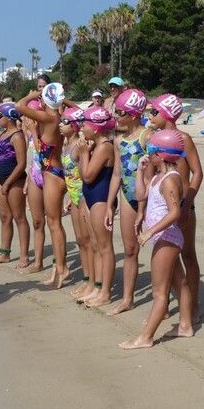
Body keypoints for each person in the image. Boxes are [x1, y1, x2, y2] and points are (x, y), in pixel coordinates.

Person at [119, 129, 189, 349]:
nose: (148, 154)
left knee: (159, 291)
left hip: (167, 237)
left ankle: (146, 336)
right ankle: (185, 325)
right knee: (180, 281)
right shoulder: (159, 176)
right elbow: (141, 195)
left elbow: (175, 212)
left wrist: (150, 232)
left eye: (151, 150)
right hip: (164, 237)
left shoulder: (170, 180)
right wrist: (140, 172)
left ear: (161, 154)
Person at [147, 94, 202, 325]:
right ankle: (169, 305)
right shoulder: (154, 140)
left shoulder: (184, 139)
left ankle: (193, 305)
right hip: (163, 207)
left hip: (182, 205)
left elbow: (197, 173)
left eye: (154, 112)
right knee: (167, 259)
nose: (150, 116)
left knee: (188, 255)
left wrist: (187, 204)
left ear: (167, 114)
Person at [17, 83, 70, 288]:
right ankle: (59, 267)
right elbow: (43, 150)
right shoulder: (57, 118)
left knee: (54, 224)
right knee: (53, 223)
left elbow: (19, 106)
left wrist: (32, 94)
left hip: (53, 174)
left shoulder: (48, 117)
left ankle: (62, 268)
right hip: (52, 172)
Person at [105, 88, 150, 315]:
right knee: (130, 250)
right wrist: (109, 205)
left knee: (162, 251)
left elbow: (153, 174)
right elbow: (117, 174)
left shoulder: (147, 137)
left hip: (150, 199)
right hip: (126, 197)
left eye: (120, 112)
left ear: (133, 115)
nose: (116, 115)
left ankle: (166, 299)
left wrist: (144, 207)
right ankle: (127, 299)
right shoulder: (119, 140)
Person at [77, 106, 116, 307]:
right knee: (95, 244)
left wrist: (85, 153)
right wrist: (85, 151)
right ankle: (98, 287)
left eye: (84, 124)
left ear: (95, 128)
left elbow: (88, 175)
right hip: (91, 196)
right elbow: (81, 171)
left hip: (100, 199)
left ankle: (105, 292)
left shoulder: (104, 147)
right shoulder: (95, 145)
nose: (81, 128)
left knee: (104, 246)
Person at [0, 102, 29, 266]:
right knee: (5, 217)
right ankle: (4, 253)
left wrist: (8, 183)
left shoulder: (17, 136)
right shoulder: (2, 134)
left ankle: (24, 256)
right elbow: (1, 156)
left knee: (19, 217)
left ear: (8, 118)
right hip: (1, 179)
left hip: (15, 180)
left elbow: (21, 164)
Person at [61, 107, 96, 297]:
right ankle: (86, 278)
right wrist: (69, 196)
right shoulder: (66, 144)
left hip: (84, 197)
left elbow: (86, 173)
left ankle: (93, 281)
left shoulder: (80, 146)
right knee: (81, 240)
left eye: (64, 122)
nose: (60, 125)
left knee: (89, 241)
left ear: (74, 126)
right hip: (74, 197)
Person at [20, 99, 47, 274]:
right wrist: (28, 180)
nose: (26, 120)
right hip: (35, 176)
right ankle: (38, 261)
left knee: (53, 222)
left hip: (50, 177)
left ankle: (59, 262)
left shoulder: (48, 131)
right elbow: (31, 159)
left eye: (29, 116)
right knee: (37, 221)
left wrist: (33, 132)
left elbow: (43, 153)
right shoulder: (29, 133)